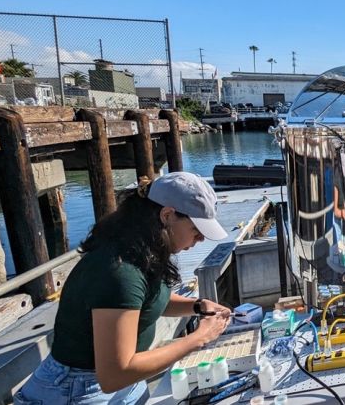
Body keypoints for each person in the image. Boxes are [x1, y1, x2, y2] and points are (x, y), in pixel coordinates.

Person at [14, 172, 232, 404]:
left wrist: (197, 306)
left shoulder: (138, 250)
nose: (200, 240)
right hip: (77, 390)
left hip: (124, 380)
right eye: (196, 231)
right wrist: (199, 337)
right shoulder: (119, 270)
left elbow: (150, 300)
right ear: (167, 215)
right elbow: (114, 374)